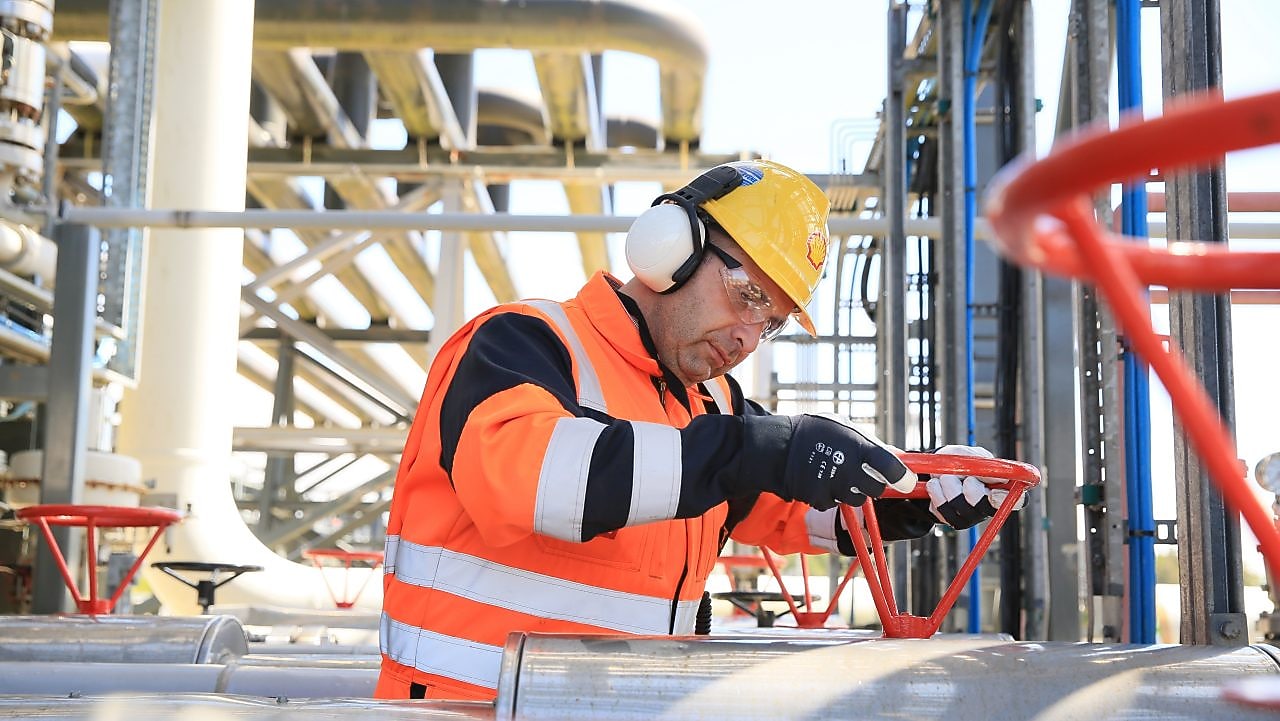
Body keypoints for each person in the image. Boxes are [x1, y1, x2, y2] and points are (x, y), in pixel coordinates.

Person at [375, 159, 1020, 701]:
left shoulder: (708, 407)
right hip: (466, 710)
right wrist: (752, 451)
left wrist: (918, 494)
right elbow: (534, 481)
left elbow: (789, 501)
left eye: (771, 324)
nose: (747, 339)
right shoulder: (525, 343)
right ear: (671, 247)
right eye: (747, 296)